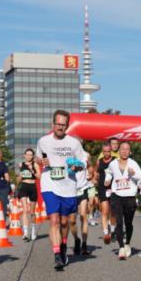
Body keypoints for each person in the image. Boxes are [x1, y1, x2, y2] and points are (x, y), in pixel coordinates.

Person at [35, 110, 89, 270]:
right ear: (53, 124)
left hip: (68, 186)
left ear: (67, 126)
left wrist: (77, 166)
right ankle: (57, 254)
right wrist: (42, 161)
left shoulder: (74, 143)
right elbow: (39, 158)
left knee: (65, 222)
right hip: (49, 184)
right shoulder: (43, 141)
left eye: (63, 125)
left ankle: (64, 245)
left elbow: (83, 162)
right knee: (54, 220)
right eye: (58, 124)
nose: (60, 127)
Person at [106, 142, 141, 260]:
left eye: (127, 149)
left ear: (130, 152)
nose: (124, 151)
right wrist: (107, 180)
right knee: (119, 222)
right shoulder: (112, 164)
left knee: (128, 223)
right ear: (118, 151)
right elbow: (109, 172)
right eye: (122, 149)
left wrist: (134, 174)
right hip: (116, 195)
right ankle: (121, 248)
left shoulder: (133, 164)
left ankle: (127, 243)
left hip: (130, 196)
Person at [71, 155, 95, 256]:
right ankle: (77, 240)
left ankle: (84, 245)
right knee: (71, 220)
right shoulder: (66, 153)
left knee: (83, 216)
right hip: (70, 190)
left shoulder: (85, 154)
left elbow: (90, 167)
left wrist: (90, 175)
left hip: (83, 189)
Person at [16, 148, 40, 241]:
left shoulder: (35, 164)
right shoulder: (21, 164)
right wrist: (20, 176)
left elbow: (39, 177)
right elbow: (18, 180)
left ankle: (33, 230)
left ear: (32, 156)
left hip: (32, 186)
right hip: (24, 186)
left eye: (30, 155)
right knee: (25, 210)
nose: (29, 156)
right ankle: (25, 233)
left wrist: (32, 170)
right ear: (24, 155)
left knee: (32, 212)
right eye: (27, 154)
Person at [94, 143, 116, 244]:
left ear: (111, 151)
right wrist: (96, 179)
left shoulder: (115, 160)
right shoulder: (99, 162)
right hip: (103, 188)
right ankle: (106, 233)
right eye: (104, 152)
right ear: (102, 152)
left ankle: (113, 230)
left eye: (108, 151)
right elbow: (96, 173)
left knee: (113, 212)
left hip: (113, 188)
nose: (106, 154)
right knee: (105, 211)